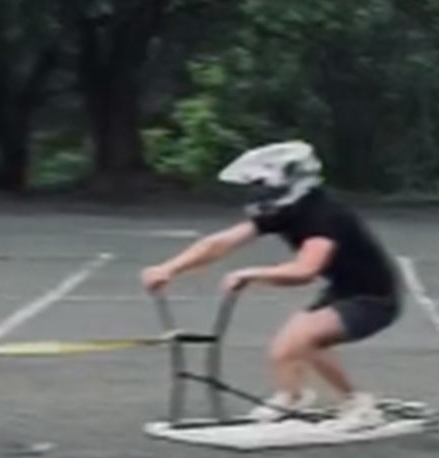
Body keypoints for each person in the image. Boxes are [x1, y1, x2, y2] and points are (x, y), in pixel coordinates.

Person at [139, 140, 395, 431]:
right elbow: (220, 243)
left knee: (305, 336)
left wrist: (252, 274)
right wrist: (169, 269)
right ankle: (292, 397)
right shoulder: (287, 209)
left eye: (263, 183)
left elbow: (306, 270)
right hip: (343, 291)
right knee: (284, 351)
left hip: (374, 297)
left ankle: (358, 404)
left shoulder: (323, 214)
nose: (259, 191)